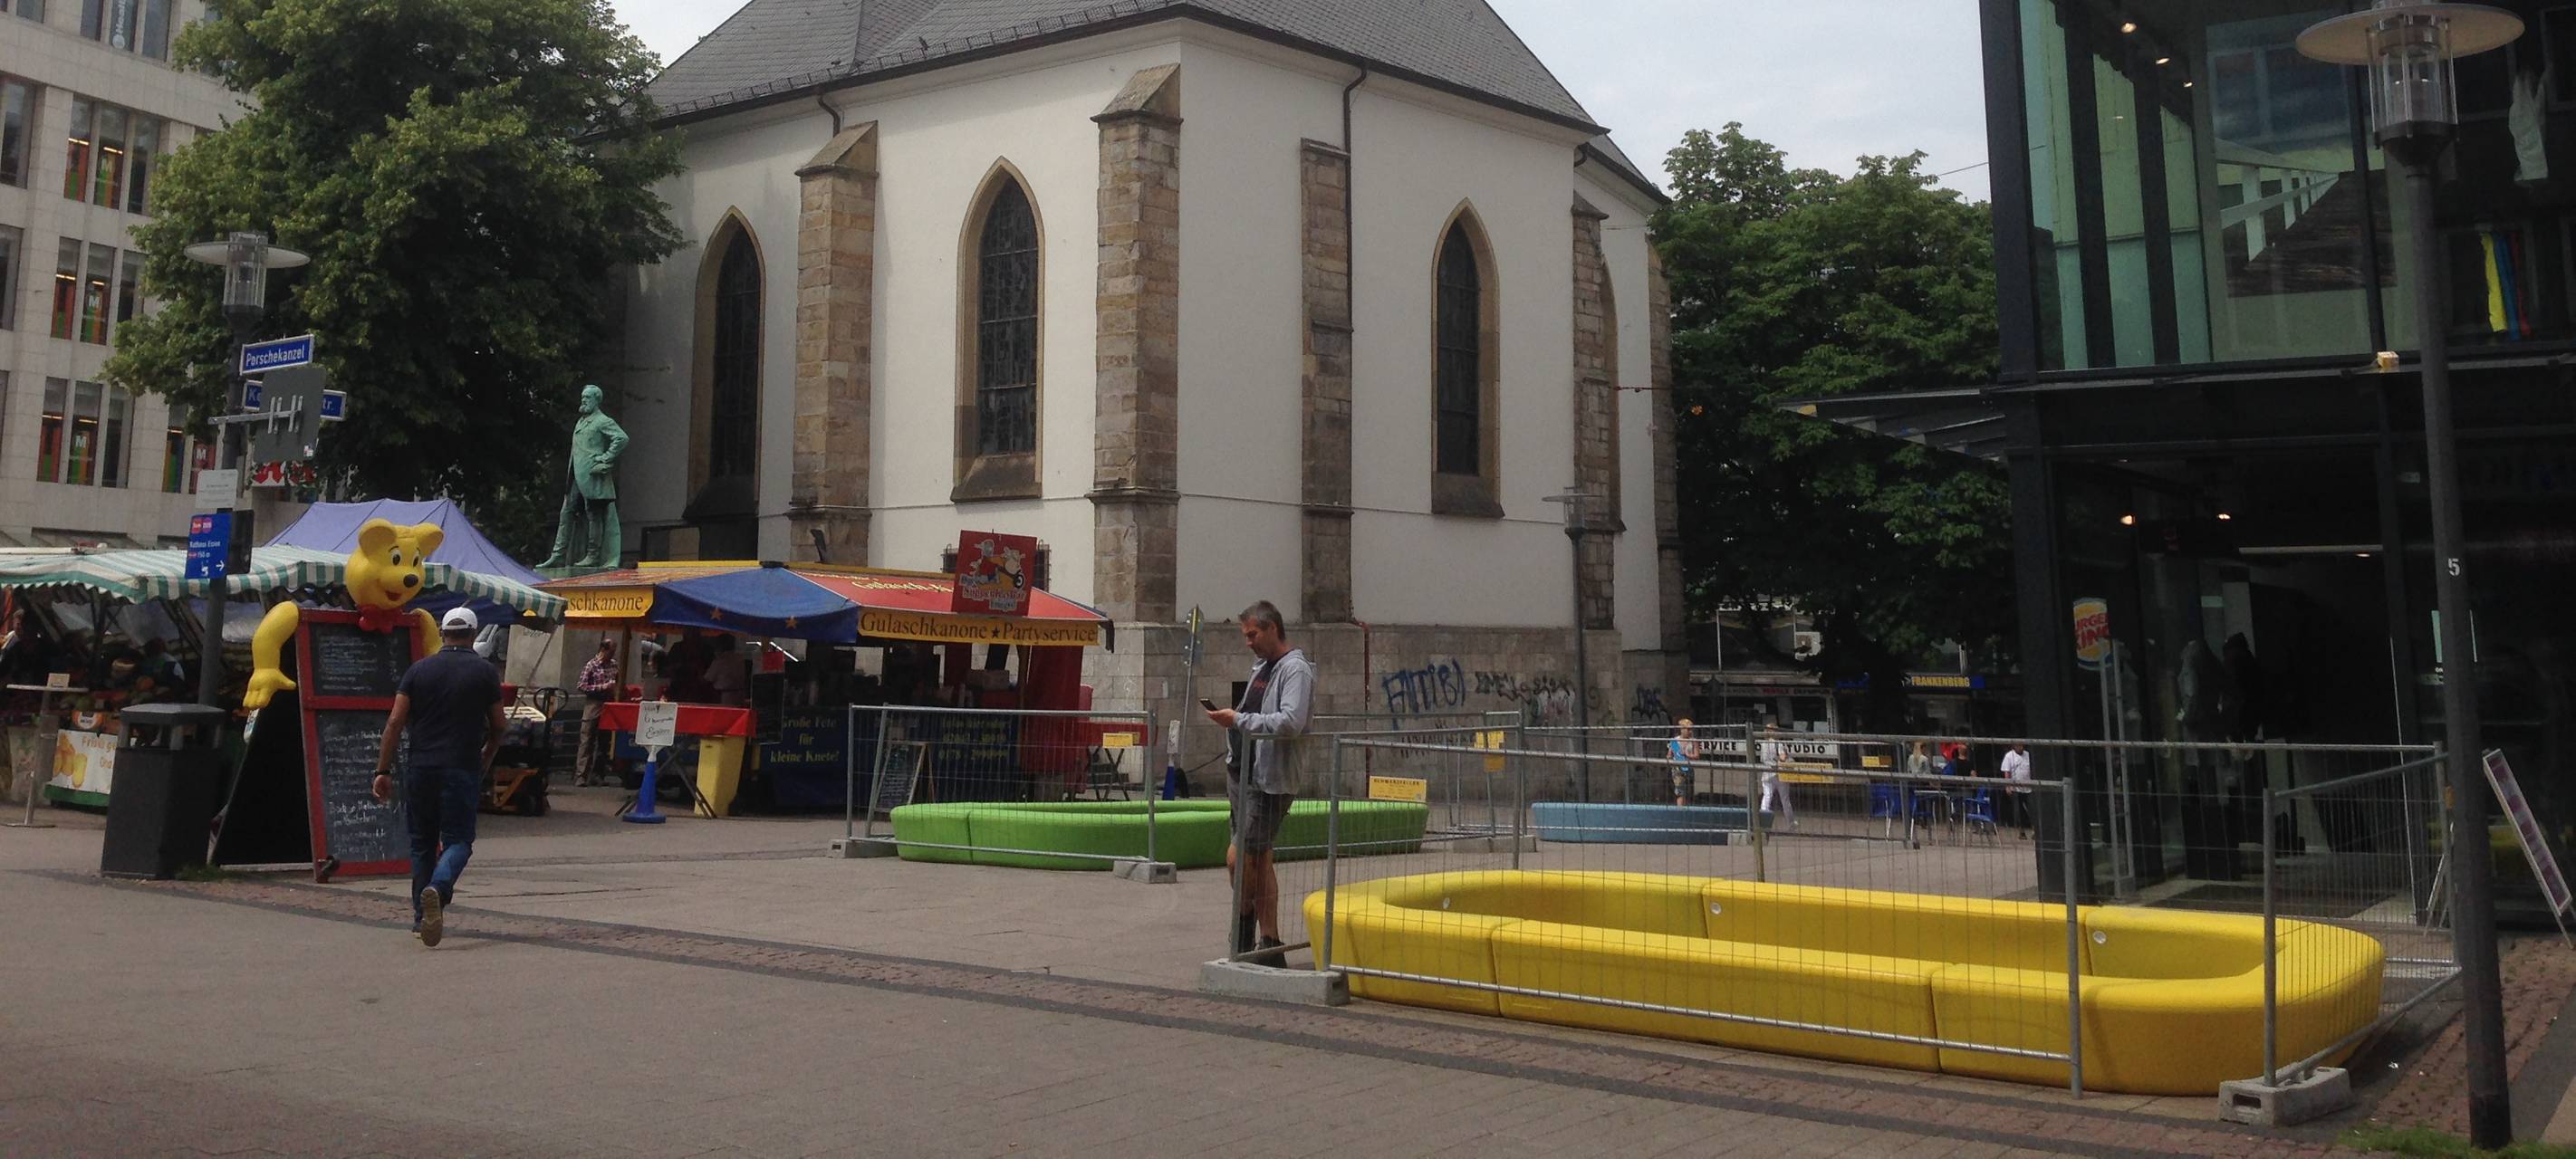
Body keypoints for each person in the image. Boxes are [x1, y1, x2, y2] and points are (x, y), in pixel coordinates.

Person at [372, 607, 506, 948]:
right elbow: (499, 726)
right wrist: (486, 758)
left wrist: (382, 769)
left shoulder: (418, 670)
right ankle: (439, 886)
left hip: (420, 768)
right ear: (473, 633)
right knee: (459, 840)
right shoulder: (485, 672)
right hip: (461, 767)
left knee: (421, 843)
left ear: (444, 633)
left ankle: (421, 917)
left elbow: (394, 722)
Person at [1205, 600, 1313, 967]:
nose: (1248, 642)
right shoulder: (1263, 667)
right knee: (1259, 859)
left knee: (1241, 857)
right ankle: (1270, 944)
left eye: (1252, 634)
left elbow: (1289, 722)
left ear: (1271, 629)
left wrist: (1237, 719)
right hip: (1244, 773)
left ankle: (1243, 927)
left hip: (1268, 780)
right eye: (1246, 636)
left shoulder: (1295, 669)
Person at [573, 637, 620, 787]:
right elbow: (581, 685)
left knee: (604, 742)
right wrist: (601, 687)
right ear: (603, 649)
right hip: (593, 703)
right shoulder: (591, 665)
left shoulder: (614, 665)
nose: (612, 655)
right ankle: (581, 776)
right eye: (611, 651)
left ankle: (598, 775)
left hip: (608, 705)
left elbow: (618, 681)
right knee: (587, 740)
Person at [1757, 726, 1796, 829]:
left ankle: (1763, 822)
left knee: (1767, 797)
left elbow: (1763, 759)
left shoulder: (1763, 744)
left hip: (1767, 774)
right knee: (1785, 800)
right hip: (1779, 774)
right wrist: (1785, 758)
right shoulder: (1778, 743)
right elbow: (1783, 757)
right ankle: (1791, 823)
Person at [705, 634, 750, 707]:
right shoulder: (740, 658)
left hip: (725, 696)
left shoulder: (720, 661)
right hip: (740, 694)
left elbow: (707, 679)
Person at [1667, 719, 1703, 807]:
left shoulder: (1694, 741)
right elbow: (1669, 755)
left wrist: (1687, 755)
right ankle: (1680, 811)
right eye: (1688, 729)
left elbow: (1697, 756)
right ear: (1682, 729)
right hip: (1677, 769)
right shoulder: (1675, 741)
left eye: (1691, 729)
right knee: (1680, 792)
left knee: (1689, 792)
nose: (1690, 732)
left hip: (1689, 769)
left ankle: (1687, 810)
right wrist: (1672, 758)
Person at [2001, 742, 2033, 838]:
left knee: (2031, 809)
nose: (2020, 747)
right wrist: (2008, 786)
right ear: (2014, 746)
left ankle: (2034, 829)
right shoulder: (2009, 756)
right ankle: (2021, 831)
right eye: (2018, 745)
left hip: (2028, 786)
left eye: (2022, 745)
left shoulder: (2028, 755)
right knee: (2019, 811)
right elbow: (2007, 772)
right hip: (2016, 788)